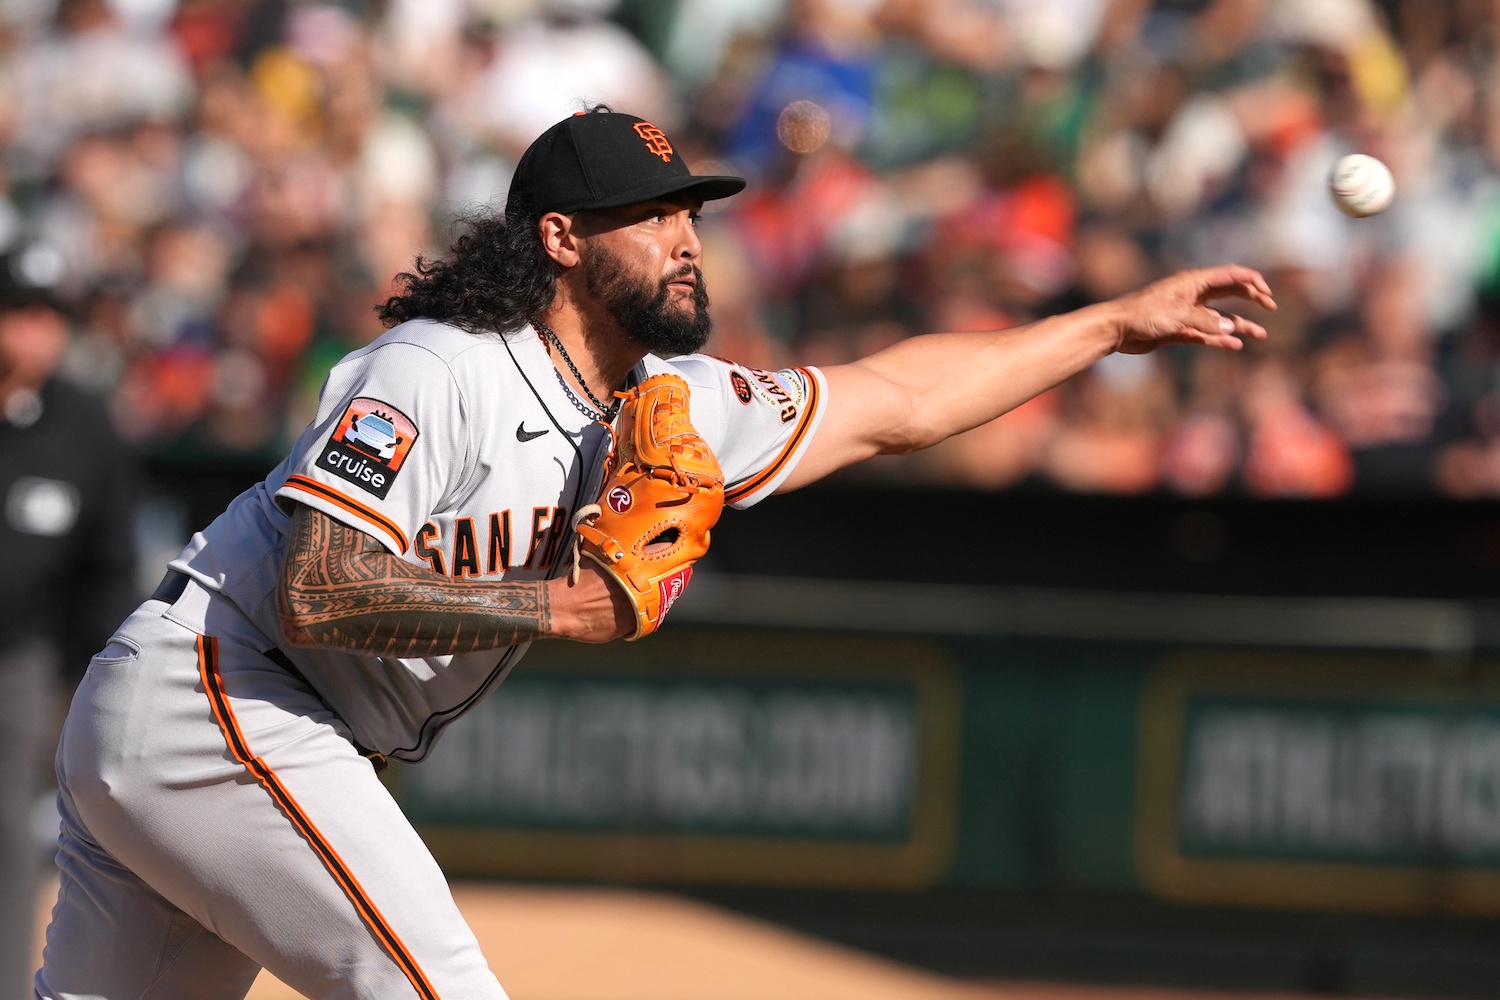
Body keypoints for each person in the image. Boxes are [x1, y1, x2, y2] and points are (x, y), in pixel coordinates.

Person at [36, 107, 1275, 998]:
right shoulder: (438, 367)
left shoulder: (669, 402)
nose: (687, 235)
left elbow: (898, 397)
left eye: (691, 210)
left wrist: (1111, 323)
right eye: (652, 215)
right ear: (564, 238)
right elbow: (318, 585)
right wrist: (561, 606)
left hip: (221, 722)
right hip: (222, 687)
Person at [0, 249, 139, 1000]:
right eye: (23, 310)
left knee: (4, 843)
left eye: (51, 315)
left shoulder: (83, 425)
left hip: (17, 663)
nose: (39, 331)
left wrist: (94, 683)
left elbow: (107, 569)